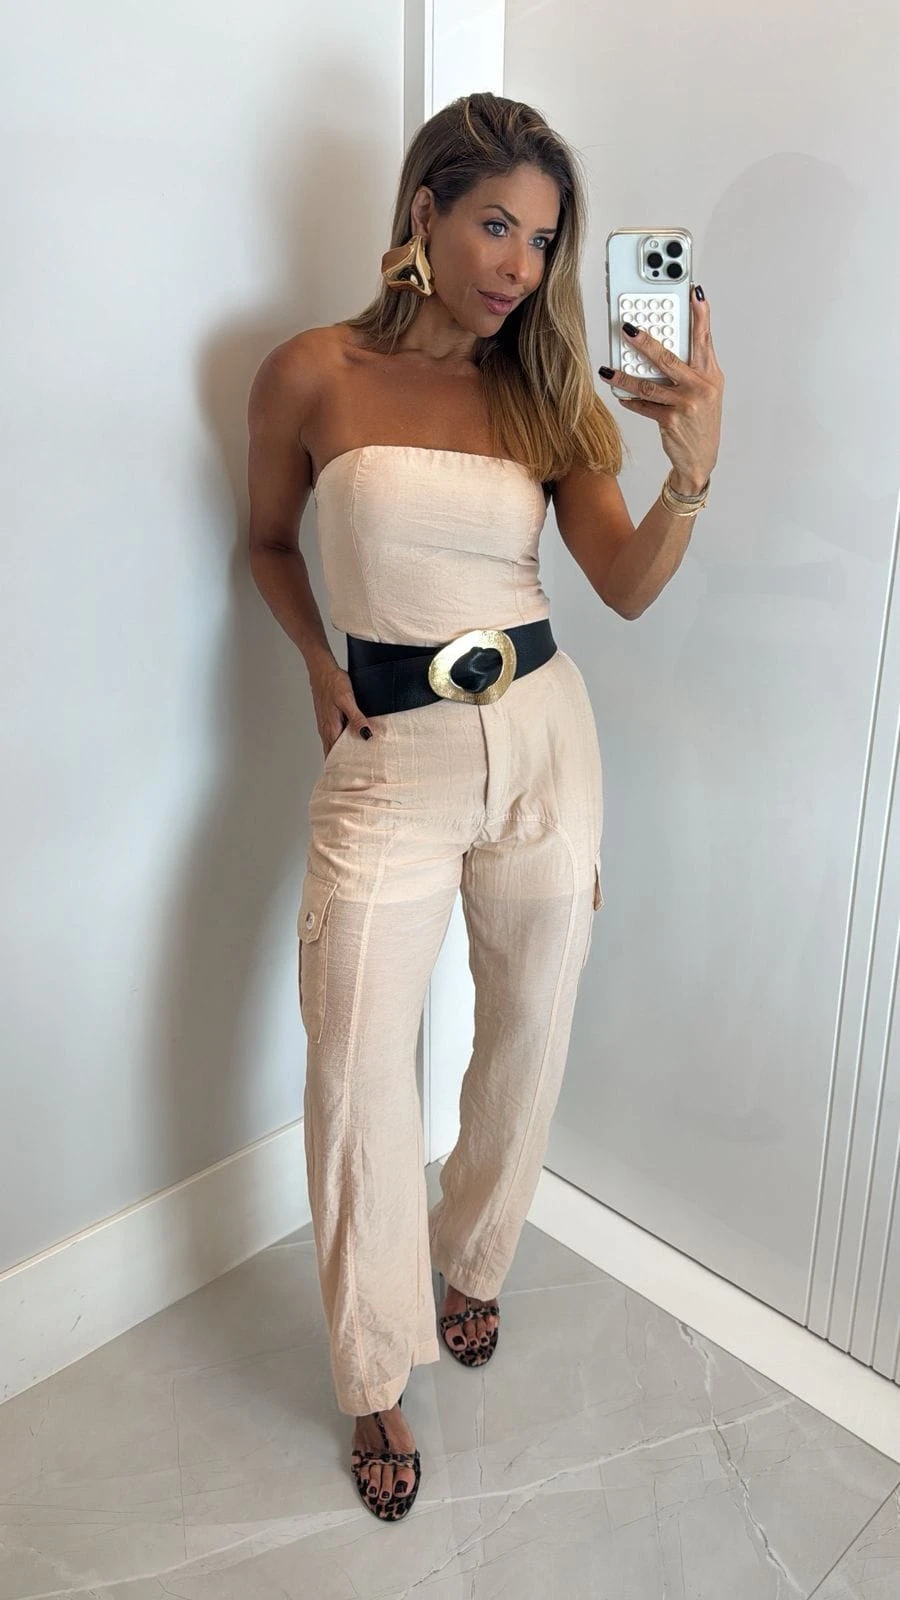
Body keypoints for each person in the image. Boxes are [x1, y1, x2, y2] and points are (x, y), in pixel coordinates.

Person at [247, 91, 724, 1523]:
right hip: (389, 757)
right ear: (425, 213)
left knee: (526, 1035)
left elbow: (623, 588)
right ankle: (371, 1368)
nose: (520, 265)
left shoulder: (547, 395)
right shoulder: (310, 372)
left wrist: (692, 466)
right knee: (354, 1073)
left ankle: (472, 1258)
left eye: (545, 240)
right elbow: (267, 540)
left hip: (543, 742)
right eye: (496, 224)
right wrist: (316, 660)